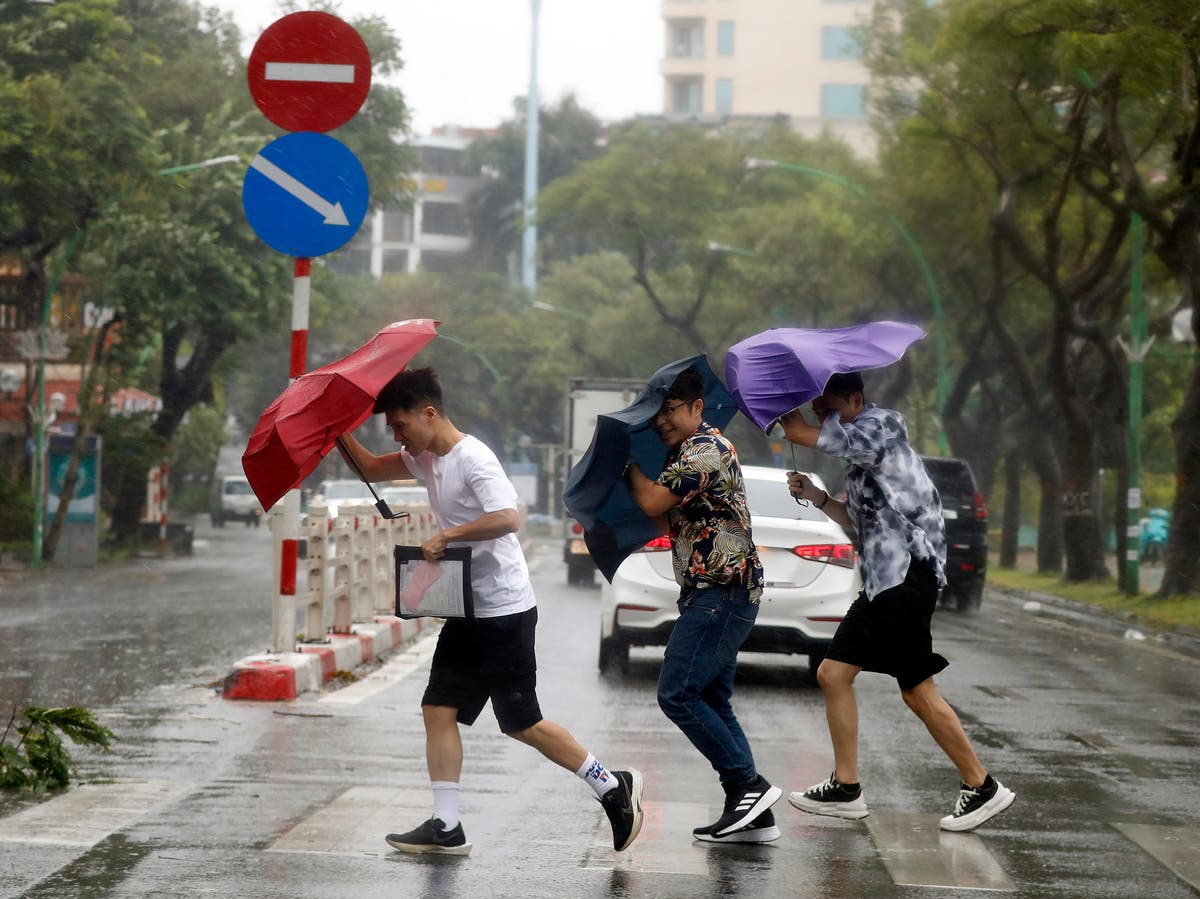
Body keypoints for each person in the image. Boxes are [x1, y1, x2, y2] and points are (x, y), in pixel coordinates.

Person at [338, 367, 643, 856]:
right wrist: (337, 430)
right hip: (466, 608)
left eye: (400, 426)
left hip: (504, 610)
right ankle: (446, 823)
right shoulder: (424, 459)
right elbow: (372, 468)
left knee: (522, 723)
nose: (398, 437)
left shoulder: (473, 458)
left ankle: (611, 784)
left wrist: (448, 535)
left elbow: (508, 517)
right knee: (438, 708)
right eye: (393, 431)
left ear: (429, 413)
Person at [780, 371, 1015, 832]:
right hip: (884, 583)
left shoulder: (880, 426)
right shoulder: (860, 450)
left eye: (828, 407)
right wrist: (818, 497)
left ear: (856, 399)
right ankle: (847, 787)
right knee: (834, 674)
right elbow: (857, 519)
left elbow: (803, 435)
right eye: (818, 409)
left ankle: (982, 785)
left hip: (908, 575)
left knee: (917, 690)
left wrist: (788, 414)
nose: (822, 416)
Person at [624, 368, 782, 844]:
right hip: (715, 592)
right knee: (712, 698)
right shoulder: (685, 452)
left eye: (671, 410)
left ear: (697, 407)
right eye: (657, 413)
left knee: (677, 693)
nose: (662, 421)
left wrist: (626, 463)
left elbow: (652, 501)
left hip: (722, 592)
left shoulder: (706, 450)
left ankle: (749, 787)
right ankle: (752, 814)